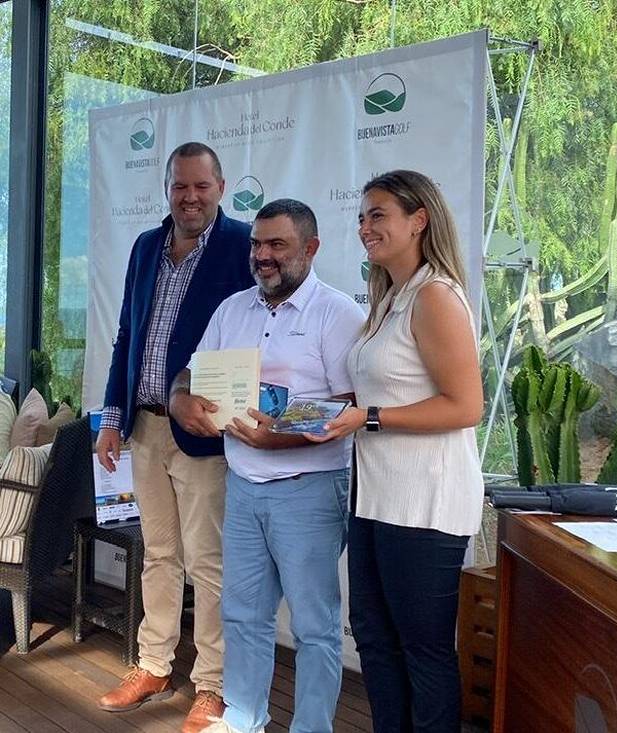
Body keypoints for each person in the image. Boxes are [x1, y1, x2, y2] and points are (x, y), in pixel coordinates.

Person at [168, 198, 365, 733]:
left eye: (277, 244)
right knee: (243, 617)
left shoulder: (339, 313)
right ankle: (244, 718)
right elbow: (188, 378)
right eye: (258, 244)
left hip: (310, 489)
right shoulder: (233, 309)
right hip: (245, 488)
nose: (263, 255)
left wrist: (274, 438)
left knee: (316, 628)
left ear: (311, 248)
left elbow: (348, 407)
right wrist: (180, 402)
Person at [311, 170, 484, 731]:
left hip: (425, 505)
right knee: (376, 641)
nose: (365, 227)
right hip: (375, 498)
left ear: (419, 219)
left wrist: (371, 418)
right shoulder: (389, 298)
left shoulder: (434, 296)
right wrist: (314, 411)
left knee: (423, 651)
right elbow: (379, 390)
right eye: (362, 216)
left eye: (378, 214)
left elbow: (465, 407)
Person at [96, 142, 254, 733]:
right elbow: (125, 338)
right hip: (145, 427)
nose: (190, 197)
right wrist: (113, 418)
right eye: (180, 187)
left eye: (201, 186)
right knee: (158, 555)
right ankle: (154, 665)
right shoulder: (144, 247)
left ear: (220, 186)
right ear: (168, 190)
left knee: (208, 563)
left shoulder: (242, 246)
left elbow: (256, 330)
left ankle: (212, 685)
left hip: (204, 433)